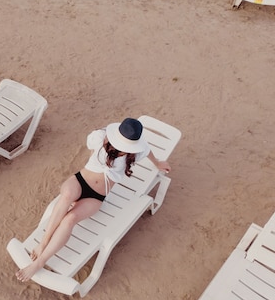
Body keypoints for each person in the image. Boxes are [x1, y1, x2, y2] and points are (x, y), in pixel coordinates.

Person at [15, 117, 172, 282]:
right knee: (67, 196)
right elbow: (91, 149)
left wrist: (158, 163)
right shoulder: (100, 137)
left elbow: (148, 151)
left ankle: (40, 262)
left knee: (70, 219)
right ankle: (42, 243)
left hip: (96, 195)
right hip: (80, 181)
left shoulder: (136, 151)